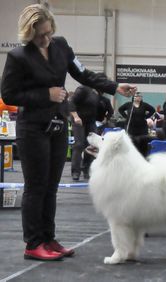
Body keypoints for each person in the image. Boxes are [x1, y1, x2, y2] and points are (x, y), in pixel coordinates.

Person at [0, 4, 136, 261]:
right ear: (29, 33)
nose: (46, 39)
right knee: (36, 186)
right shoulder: (19, 56)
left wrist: (115, 86)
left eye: (49, 32)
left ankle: (49, 239)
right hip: (32, 128)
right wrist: (45, 94)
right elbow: (8, 94)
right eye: (40, 35)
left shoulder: (61, 45)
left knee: (51, 187)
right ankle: (33, 243)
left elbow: (83, 74)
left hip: (58, 125)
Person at [69, 86, 99, 181]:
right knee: (79, 145)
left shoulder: (96, 93)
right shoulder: (82, 90)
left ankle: (86, 169)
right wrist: (76, 116)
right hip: (79, 120)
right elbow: (70, 103)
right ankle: (75, 172)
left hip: (90, 121)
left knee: (91, 145)